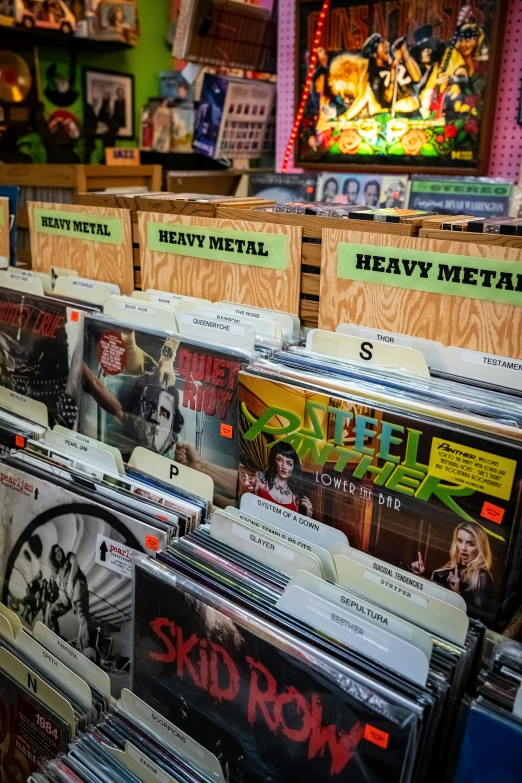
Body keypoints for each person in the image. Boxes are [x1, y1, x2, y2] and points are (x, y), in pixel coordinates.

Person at [411, 522, 494, 622]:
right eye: (460, 541)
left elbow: (484, 618)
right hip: (428, 618)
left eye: (470, 544)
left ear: (480, 547)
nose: (463, 548)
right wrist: (421, 576)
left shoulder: (481, 575)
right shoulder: (449, 568)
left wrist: (459, 594)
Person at [47, 544, 97, 661]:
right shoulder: (57, 573)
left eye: (59, 551)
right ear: (53, 557)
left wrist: (70, 582)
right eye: (55, 553)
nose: (58, 554)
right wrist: (60, 591)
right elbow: (59, 586)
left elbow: (75, 563)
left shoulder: (69, 557)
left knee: (82, 614)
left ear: (62, 552)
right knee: (52, 613)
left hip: (77, 585)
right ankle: (55, 641)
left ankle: (89, 653)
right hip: (67, 595)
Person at [363, 32, 420, 116]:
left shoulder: (399, 63)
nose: (386, 45)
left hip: (416, 112)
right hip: (399, 115)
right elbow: (387, 97)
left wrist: (405, 53)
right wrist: (393, 69)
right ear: (374, 54)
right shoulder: (375, 75)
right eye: (381, 44)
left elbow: (417, 78)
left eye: (385, 42)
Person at [254, 441, 313, 516]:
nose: (284, 466)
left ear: (293, 467)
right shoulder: (261, 479)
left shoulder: (295, 497)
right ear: (274, 460)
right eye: (280, 460)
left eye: (289, 463)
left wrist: (309, 514)